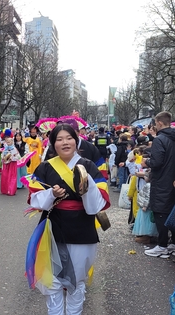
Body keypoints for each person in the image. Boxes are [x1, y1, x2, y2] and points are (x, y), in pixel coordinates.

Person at [26, 124, 110, 315]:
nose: (65, 143)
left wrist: (86, 186)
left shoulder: (89, 166)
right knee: (52, 279)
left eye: (69, 138)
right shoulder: (45, 167)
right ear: (53, 143)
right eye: (59, 139)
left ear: (76, 139)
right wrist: (51, 194)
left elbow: (98, 204)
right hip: (52, 226)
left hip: (82, 227)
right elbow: (34, 199)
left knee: (77, 279)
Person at [142, 111, 175, 258]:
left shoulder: (160, 139)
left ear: (159, 123)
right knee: (174, 210)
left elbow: (157, 162)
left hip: (162, 180)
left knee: (160, 211)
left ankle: (162, 246)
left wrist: (146, 162)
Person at [0, 130, 21, 196]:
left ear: (12, 142)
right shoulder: (5, 148)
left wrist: (12, 158)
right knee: (5, 176)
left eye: (9, 142)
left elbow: (18, 157)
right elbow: (2, 155)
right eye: (7, 142)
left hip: (12, 165)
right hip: (6, 164)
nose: (8, 143)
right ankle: (5, 190)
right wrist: (3, 157)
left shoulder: (14, 149)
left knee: (12, 177)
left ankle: (11, 190)